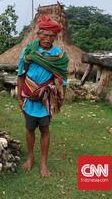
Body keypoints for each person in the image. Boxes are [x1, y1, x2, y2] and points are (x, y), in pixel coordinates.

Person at [17, 15, 69, 177]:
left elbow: (63, 79)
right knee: (29, 128)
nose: (47, 39)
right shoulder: (29, 52)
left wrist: (61, 98)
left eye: (51, 36)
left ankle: (44, 163)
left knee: (45, 129)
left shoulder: (59, 55)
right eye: (44, 35)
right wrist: (19, 97)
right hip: (29, 98)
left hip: (47, 100)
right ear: (38, 34)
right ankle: (31, 157)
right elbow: (21, 75)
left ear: (55, 37)